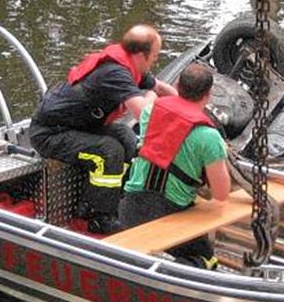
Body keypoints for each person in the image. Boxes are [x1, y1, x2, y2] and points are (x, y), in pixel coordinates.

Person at [28, 25, 177, 234]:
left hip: (79, 127)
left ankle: (120, 201)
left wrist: (186, 108)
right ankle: (99, 216)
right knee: (109, 150)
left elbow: (160, 88)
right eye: (155, 55)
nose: (156, 59)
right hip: (50, 133)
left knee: (126, 137)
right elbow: (143, 114)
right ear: (141, 55)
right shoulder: (114, 73)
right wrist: (151, 97)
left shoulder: (131, 66)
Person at [118, 61, 231, 268]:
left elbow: (163, 108)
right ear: (208, 95)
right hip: (170, 215)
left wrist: (157, 88)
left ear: (178, 86)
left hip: (130, 212)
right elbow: (221, 194)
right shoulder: (209, 137)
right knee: (207, 260)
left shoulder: (149, 112)